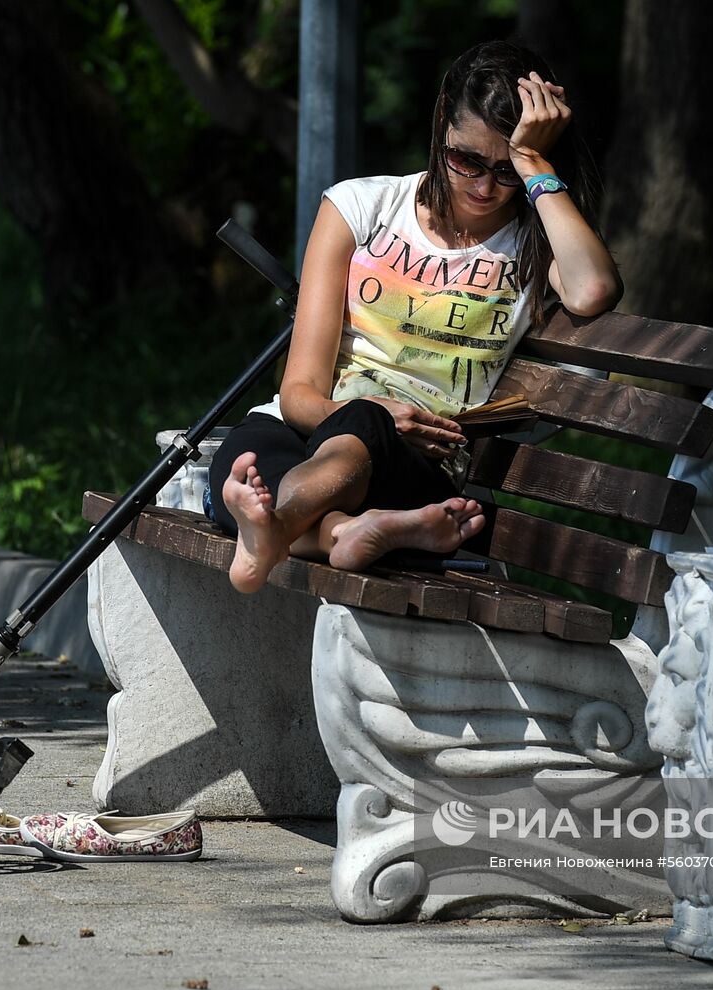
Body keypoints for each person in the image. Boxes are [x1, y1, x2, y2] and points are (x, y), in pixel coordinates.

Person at [207, 40, 621, 595]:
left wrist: (535, 166)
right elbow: (299, 393)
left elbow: (594, 288)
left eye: (505, 169)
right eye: (467, 161)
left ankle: (274, 531)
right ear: (440, 125)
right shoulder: (361, 208)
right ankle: (350, 533)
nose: (483, 187)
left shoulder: (534, 239)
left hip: (423, 465)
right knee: (246, 458)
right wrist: (355, 409)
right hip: (314, 429)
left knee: (339, 445)